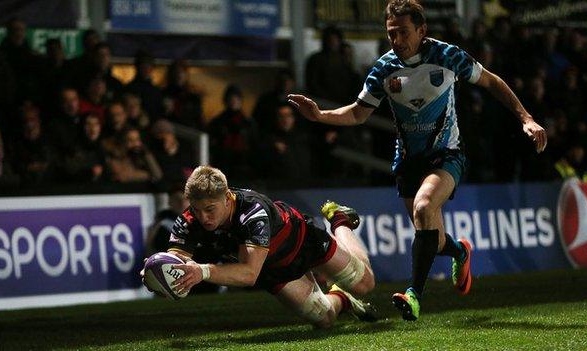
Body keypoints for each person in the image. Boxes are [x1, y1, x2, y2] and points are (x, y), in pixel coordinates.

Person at [288, 0, 547, 321]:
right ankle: (459, 251)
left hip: (446, 155)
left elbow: (492, 81)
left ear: (422, 30)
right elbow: (357, 113)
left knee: (425, 208)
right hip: (409, 162)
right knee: (432, 238)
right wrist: (320, 115)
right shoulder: (384, 68)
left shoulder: (447, 56)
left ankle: (414, 294)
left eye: (403, 32)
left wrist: (526, 117)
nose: (396, 40)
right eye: (391, 33)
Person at [140, 165, 378, 328]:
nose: (204, 218)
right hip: (271, 268)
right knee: (324, 319)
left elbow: (249, 273)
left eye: (210, 209)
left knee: (365, 284)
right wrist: (158, 272)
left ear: (227, 198)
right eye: (197, 209)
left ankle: (339, 221)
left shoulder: (252, 212)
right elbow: (177, 259)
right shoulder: (189, 220)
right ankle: (343, 299)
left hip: (303, 242)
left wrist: (201, 271)